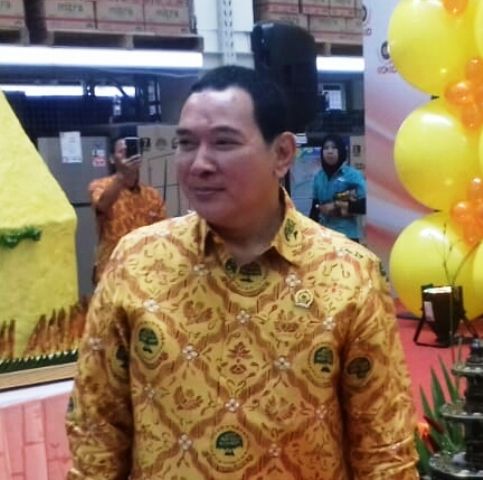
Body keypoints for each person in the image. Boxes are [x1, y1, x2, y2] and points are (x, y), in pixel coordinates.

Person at [66, 65, 418, 479]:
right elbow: (97, 427)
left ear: (282, 154)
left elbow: (382, 446)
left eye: (224, 142)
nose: (199, 164)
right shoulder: (137, 261)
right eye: (186, 143)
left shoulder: (348, 274)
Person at [88, 136, 167, 284]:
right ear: (112, 159)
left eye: (132, 151)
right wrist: (122, 175)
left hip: (145, 271)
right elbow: (102, 205)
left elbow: (163, 231)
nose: (128, 155)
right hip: (112, 271)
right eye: (122, 152)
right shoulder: (99, 186)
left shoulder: (152, 195)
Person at [309, 134, 366, 242]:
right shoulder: (318, 177)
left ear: (341, 150)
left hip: (347, 237)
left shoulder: (352, 175)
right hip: (324, 237)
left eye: (334, 147)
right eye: (326, 148)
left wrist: (337, 205)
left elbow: (365, 205)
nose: (329, 151)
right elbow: (314, 209)